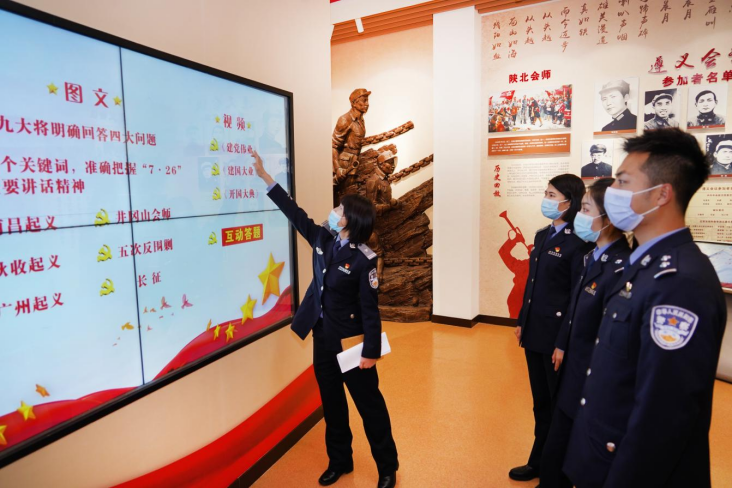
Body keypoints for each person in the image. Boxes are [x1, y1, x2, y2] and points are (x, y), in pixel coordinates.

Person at [564, 128, 727, 488]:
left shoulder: (680, 282)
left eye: (623, 182)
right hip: (603, 455)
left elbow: (663, 415)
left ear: (661, 194)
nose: (613, 191)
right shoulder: (644, 263)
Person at [253, 151, 399, 488]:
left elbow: (370, 311)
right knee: (332, 405)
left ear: (350, 220)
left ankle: (387, 466)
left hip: (351, 344)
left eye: (339, 210)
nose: (334, 212)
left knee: (369, 406)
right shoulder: (323, 238)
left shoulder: (364, 260)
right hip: (323, 338)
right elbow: (295, 214)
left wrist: (371, 352)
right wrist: (266, 178)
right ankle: (340, 460)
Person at [539, 178, 632, 488]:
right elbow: (574, 309)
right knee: (558, 442)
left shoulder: (620, 266)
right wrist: (561, 344)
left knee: (580, 449)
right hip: (572, 365)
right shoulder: (591, 256)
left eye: (587, 209)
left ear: (608, 219)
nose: (579, 214)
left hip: (591, 374)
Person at [509, 174, 593, 483]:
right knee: (541, 403)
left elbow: (575, 296)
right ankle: (539, 461)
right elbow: (533, 285)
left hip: (557, 338)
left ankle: (557, 472)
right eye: (545, 192)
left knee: (559, 406)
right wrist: (523, 320)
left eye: (552, 194)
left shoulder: (579, 242)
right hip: (535, 332)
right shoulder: (543, 235)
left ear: (569, 201)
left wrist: (563, 342)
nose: (546, 199)